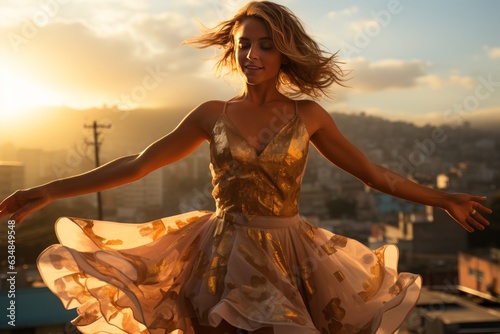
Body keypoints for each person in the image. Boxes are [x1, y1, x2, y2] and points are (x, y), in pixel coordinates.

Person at [0, 1, 492, 333]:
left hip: (291, 255)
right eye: (243, 44)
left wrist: (443, 197)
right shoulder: (211, 114)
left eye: (264, 45)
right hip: (220, 255)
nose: (251, 55)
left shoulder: (309, 116)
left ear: (284, 52)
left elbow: (373, 175)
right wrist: (49, 189)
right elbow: (138, 165)